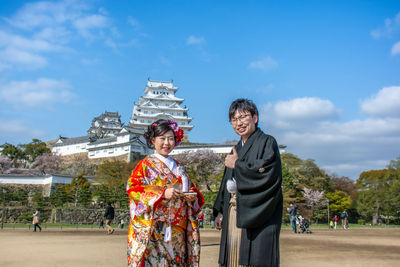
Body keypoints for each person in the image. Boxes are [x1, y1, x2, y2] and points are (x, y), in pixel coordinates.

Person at [213, 99, 283, 267]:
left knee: (258, 258)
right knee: (234, 257)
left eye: (243, 117)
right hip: (234, 210)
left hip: (260, 211)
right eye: (234, 119)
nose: (239, 123)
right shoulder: (236, 149)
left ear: (255, 118)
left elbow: (268, 175)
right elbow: (226, 183)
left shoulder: (267, 142)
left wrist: (237, 165)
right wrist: (220, 211)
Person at [126, 119, 204, 266]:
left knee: (177, 261)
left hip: (179, 228)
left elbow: (191, 187)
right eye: (162, 139)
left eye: (171, 138)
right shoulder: (145, 165)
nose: (166, 143)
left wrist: (191, 195)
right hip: (155, 227)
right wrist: (162, 193)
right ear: (153, 140)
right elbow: (133, 188)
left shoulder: (179, 167)